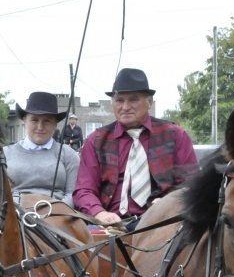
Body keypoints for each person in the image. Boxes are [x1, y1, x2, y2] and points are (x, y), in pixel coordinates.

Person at [73, 68, 198, 229]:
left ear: (150, 102)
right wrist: (99, 213)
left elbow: (191, 185)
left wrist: (168, 203)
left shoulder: (176, 136)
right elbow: (84, 190)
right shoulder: (95, 141)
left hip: (162, 223)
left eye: (133, 100)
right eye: (119, 100)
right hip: (109, 227)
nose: (125, 107)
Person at [3, 91, 80, 208]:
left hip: (57, 215)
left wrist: (55, 211)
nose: (40, 127)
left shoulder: (68, 155)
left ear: (55, 124)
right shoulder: (5, 153)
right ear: (25, 120)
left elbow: (73, 194)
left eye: (47, 121)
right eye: (34, 120)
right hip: (13, 215)